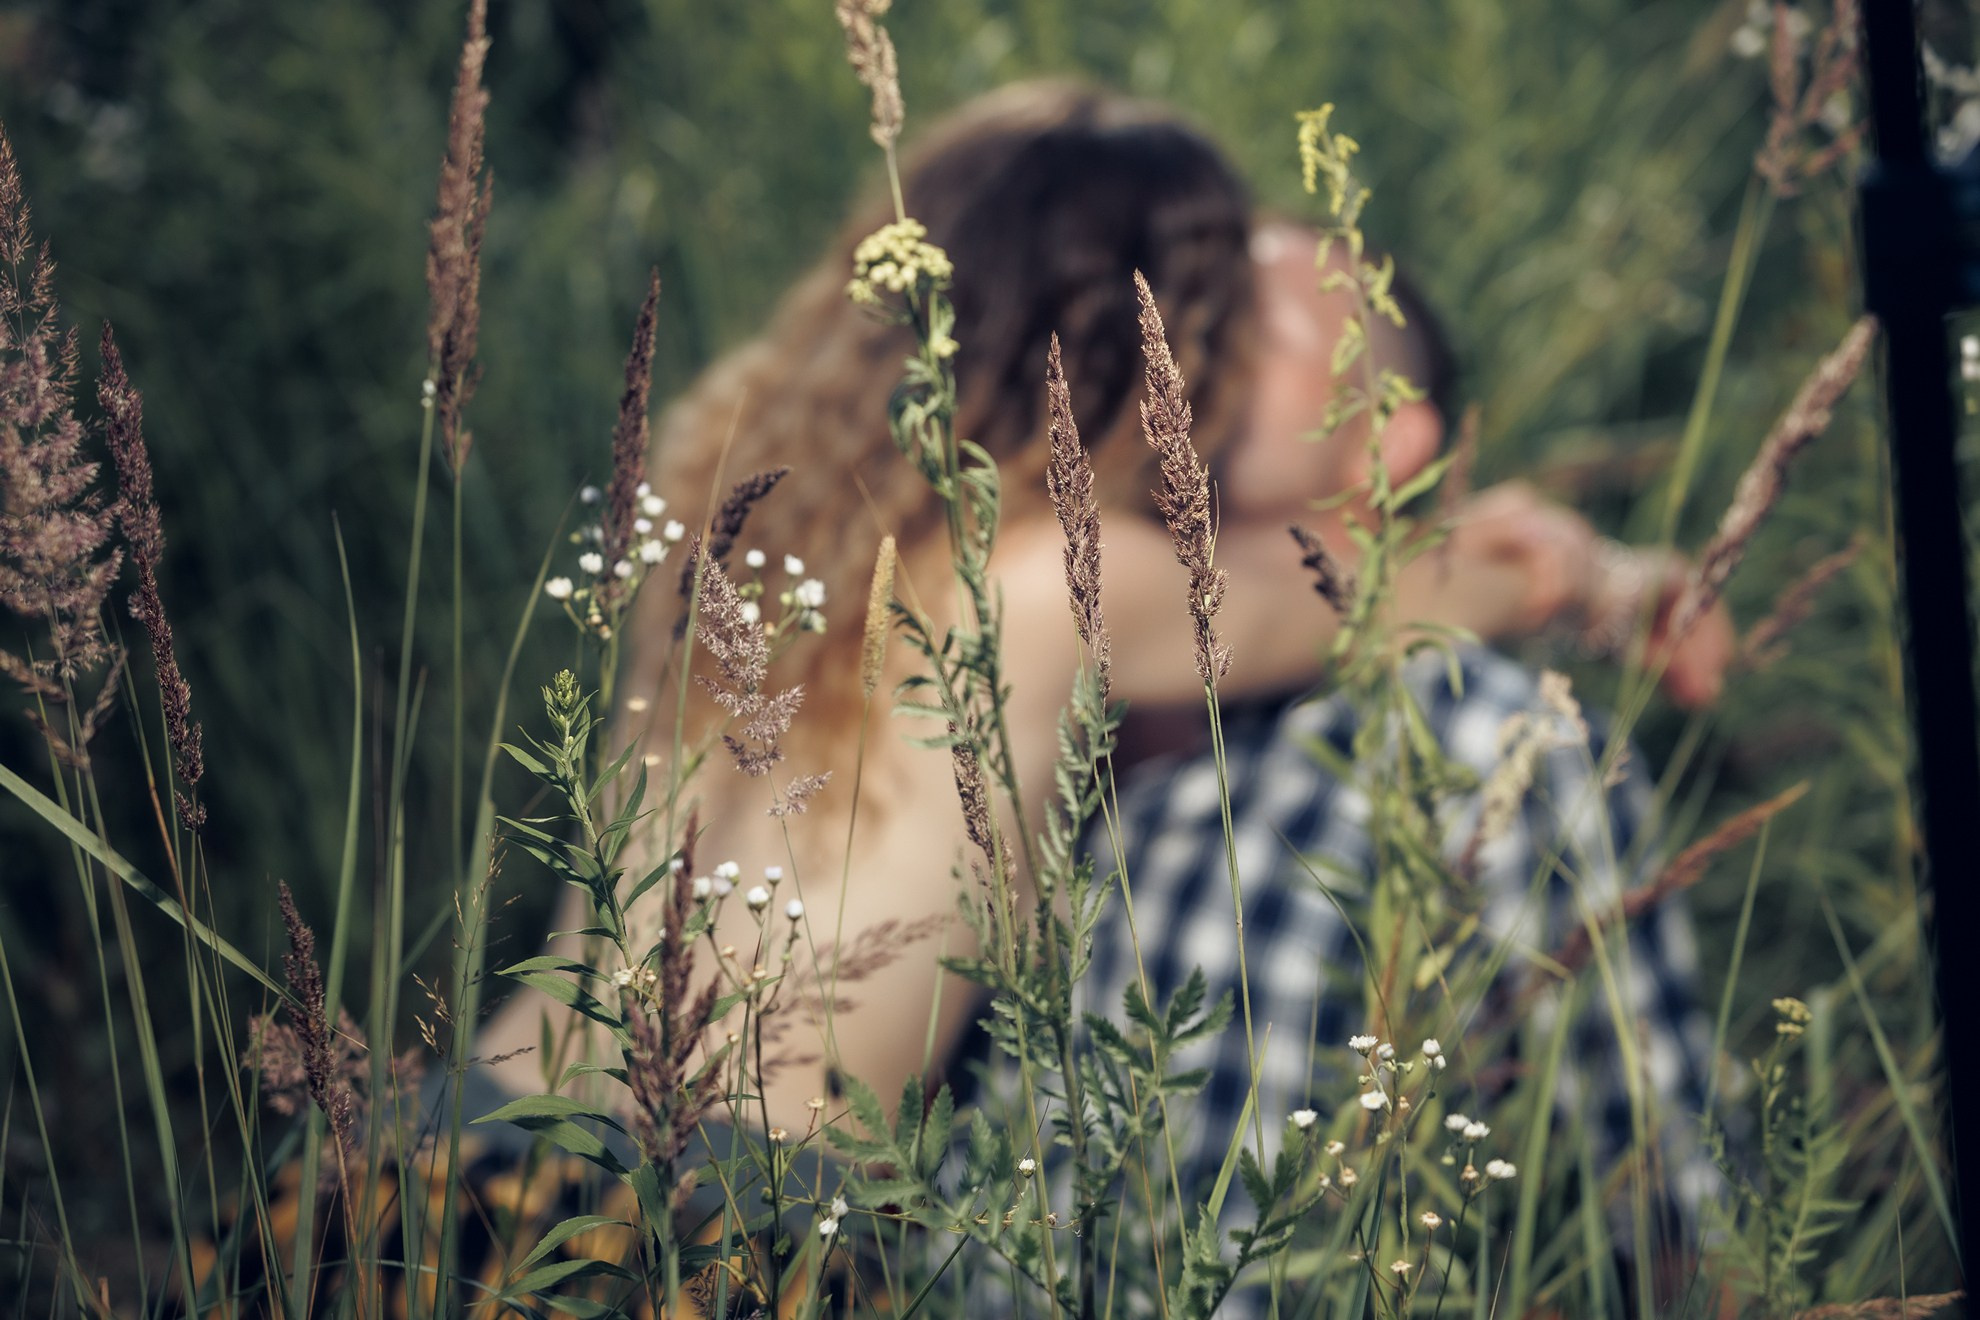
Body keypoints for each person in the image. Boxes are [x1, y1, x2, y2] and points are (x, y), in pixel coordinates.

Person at [472, 83, 1701, 1140]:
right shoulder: (1055, 579)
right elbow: (1364, 600)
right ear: (1143, 344)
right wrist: (1577, 566)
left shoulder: (769, 532)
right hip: (708, 1224)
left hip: (463, 1139)